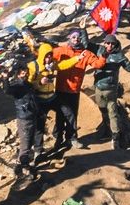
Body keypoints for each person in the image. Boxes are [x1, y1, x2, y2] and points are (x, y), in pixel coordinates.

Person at [77, 35, 130, 148]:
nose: (110, 45)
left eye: (112, 43)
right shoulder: (99, 49)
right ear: (104, 43)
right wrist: (83, 29)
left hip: (111, 89)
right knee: (103, 110)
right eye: (108, 43)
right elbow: (86, 44)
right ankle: (106, 130)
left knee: (112, 113)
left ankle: (115, 138)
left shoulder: (119, 56)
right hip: (98, 87)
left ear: (116, 44)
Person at [5, 39, 55, 180]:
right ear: (17, 74)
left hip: (32, 115)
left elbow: (33, 94)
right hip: (24, 118)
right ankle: (23, 170)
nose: (25, 74)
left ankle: (26, 165)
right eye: (22, 73)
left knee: (30, 142)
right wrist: (5, 78)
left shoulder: (27, 84)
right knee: (26, 144)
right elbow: (7, 90)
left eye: (26, 72)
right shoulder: (17, 86)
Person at [45, 30, 89, 155]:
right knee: (61, 115)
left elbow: (96, 62)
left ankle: (72, 137)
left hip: (74, 89)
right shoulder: (61, 50)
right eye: (74, 37)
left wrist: (104, 57)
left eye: (78, 37)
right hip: (61, 88)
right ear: (69, 37)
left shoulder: (83, 52)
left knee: (72, 114)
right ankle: (58, 136)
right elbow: (47, 57)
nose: (76, 39)